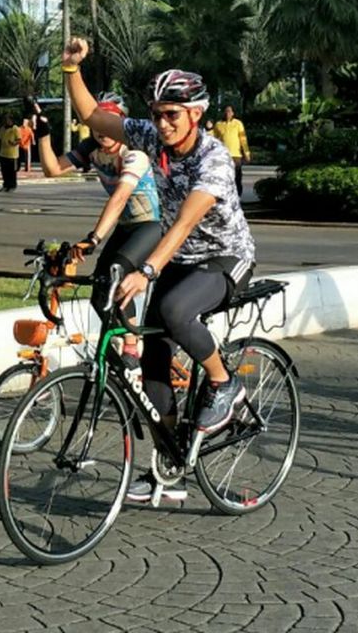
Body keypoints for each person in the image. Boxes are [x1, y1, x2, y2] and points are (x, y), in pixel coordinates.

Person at [62, 35, 256, 505]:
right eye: (157, 113)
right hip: (181, 258)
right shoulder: (150, 136)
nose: (162, 123)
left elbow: (186, 221)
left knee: (172, 309)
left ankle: (225, 383)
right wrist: (71, 70)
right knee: (152, 360)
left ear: (197, 114)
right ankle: (170, 464)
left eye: (173, 114)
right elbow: (94, 117)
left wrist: (146, 270)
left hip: (225, 258)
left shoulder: (213, 159)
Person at [33, 92, 162, 360]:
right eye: (97, 121)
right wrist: (43, 133)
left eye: (109, 121)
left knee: (116, 273)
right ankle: (113, 358)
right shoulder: (91, 148)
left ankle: (130, 346)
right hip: (126, 227)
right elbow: (52, 170)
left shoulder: (134, 151)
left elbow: (119, 198)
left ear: (121, 123)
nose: (102, 128)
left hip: (152, 225)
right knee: (99, 292)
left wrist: (94, 239)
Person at [211, 105, 252, 198]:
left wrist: (247, 153)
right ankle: (224, 196)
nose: (227, 113)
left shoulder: (238, 123)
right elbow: (213, 138)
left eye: (229, 111)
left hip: (235, 155)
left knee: (237, 176)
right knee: (223, 176)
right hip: (223, 155)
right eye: (226, 111)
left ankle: (238, 196)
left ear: (233, 113)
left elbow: (243, 139)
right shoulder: (218, 124)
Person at [0, 114, 20, 192]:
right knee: (4, 171)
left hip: (12, 155)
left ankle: (12, 186)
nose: (6, 121)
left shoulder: (15, 128)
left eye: (8, 120)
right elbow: (0, 139)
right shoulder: (2, 128)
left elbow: (19, 139)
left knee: (12, 172)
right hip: (3, 153)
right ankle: (5, 185)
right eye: (5, 120)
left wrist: (13, 143)